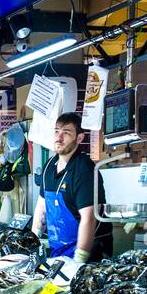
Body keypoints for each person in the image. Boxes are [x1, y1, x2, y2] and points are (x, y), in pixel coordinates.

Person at [30, 112, 112, 263]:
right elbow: (41, 207)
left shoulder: (84, 169)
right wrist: (32, 242)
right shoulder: (49, 166)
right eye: (56, 131)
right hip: (58, 250)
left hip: (89, 252)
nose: (58, 138)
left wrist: (79, 260)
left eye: (66, 133)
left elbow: (89, 218)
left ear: (79, 138)